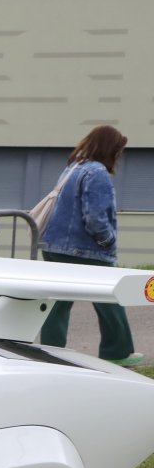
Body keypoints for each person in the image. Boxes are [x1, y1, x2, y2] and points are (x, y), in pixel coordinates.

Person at [39, 125, 141, 365]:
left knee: (59, 303)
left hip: (54, 246)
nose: (120, 155)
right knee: (110, 298)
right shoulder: (97, 173)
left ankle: (50, 353)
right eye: (119, 150)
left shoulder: (73, 168)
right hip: (84, 249)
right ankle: (117, 352)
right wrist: (108, 242)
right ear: (111, 149)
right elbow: (95, 217)